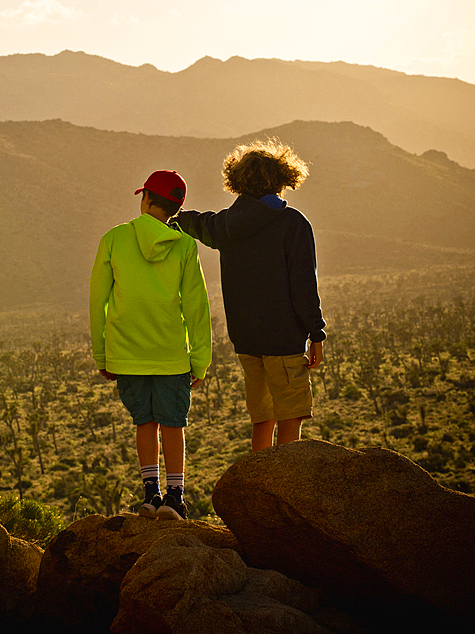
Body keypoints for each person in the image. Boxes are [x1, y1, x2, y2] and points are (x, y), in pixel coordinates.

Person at [174, 139, 325, 451]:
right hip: (283, 341)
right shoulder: (292, 223)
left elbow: (197, 222)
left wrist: (171, 216)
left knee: (262, 418)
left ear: (237, 179)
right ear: (282, 178)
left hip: (246, 341)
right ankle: (283, 485)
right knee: (290, 417)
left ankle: (259, 485)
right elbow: (303, 285)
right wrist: (316, 332)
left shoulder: (225, 225)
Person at [90, 170, 211, 519]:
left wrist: (102, 353)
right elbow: (196, 305)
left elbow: (97, 300)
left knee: (145, 423)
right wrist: (200, 358)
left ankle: (149, 495)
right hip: (171, 354)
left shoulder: (113, 239)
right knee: (174, 423)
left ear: (146, 199)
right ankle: (175, 498)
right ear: (174, 208)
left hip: (126, 354)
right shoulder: (185, 246)